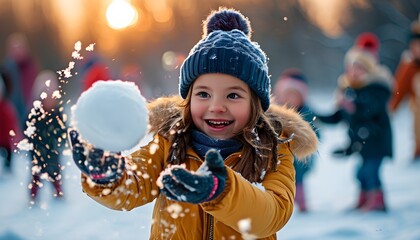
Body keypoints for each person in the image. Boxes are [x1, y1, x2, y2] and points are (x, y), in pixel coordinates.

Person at [69, 8, 318, 239]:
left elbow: (272, 214)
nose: (216, 106)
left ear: (256, 104)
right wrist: (107, 175)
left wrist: (221, 191)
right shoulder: (172, 140)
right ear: (187, 100)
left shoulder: (272, 148)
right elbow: (135, 183)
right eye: (203, 94)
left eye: (233, 95)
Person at [316, 32, 393, 212]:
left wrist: (354, 106)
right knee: (360, 173)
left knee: (370, 171)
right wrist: (318, 117)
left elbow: (372, 108)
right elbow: (339, 115)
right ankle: (364, 197)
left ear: (369, 70)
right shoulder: (350, 90)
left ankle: (377, 200)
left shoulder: (377, 87)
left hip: (377, 140)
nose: (354, 71)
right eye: (351, 67)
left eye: (359, 68)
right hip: (362, 142)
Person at [273, 68, 318, 212]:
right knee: (282, 177)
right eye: (287, 95)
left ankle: (301, 200)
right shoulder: (277, 113)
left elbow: (315, 131)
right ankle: (283, 201)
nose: (290, 100)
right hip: (283, 153)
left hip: (300, 155)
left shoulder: (306, 113)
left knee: (299, 179)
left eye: (294, 96)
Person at [27, 70, 67, 204]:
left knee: (55, 173)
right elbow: (27, 128)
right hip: (37, 151)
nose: (49, 100)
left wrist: (60, 140)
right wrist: (31, 142)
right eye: (46, 96)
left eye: (52, 96)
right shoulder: (35, 114)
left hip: (53, 151)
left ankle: (58, 192)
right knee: (36, 175)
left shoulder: (57, 113)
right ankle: (33, 195)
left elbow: (63, 129)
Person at [389, 18, 420, 161]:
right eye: (412, 46)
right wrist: (390, 110)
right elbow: (398, 90)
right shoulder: (409, 66)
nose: (414, 49)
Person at [3, 32, 40, 130]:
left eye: (20, 47)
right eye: (15, 48)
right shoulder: (6, 71)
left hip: (32, 112)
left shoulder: (32, 67)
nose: (18, 51)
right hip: (14, 113)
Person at [0, 66, 21, 174]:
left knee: (7, 154)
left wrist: (14, 136)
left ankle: (8, 167)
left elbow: (11, 122)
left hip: (5, 140)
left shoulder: (6, 108)